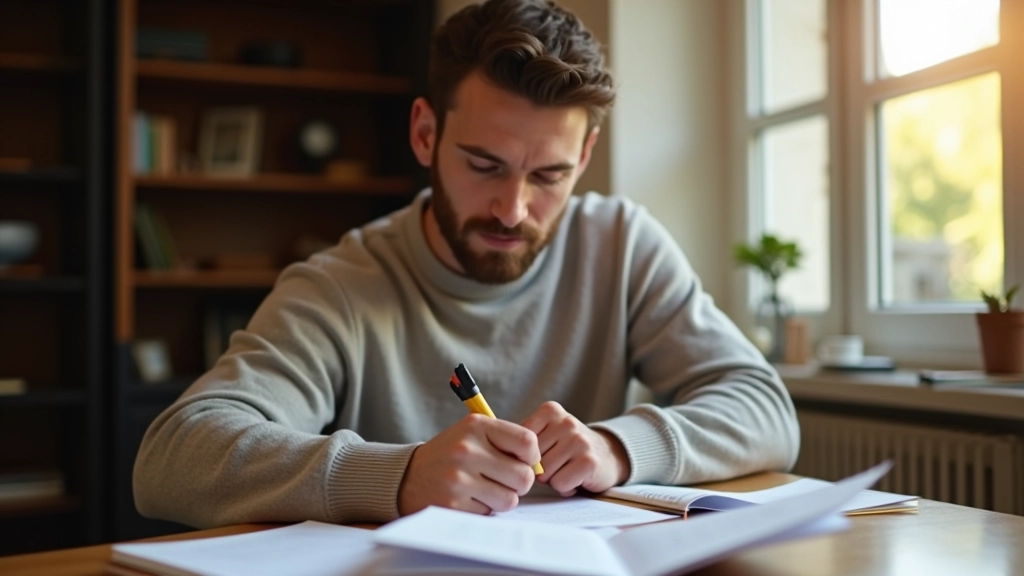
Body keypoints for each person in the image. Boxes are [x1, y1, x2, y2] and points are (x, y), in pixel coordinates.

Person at [134, 0, 799, 528]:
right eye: (485, 166)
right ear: (426, 134)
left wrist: (620, 448)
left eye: (549, 175)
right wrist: (398, 476)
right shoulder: (339, 286)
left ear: (586, 158)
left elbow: (766, 410)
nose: (514, 209)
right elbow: (173, 458)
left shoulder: (620, 244)